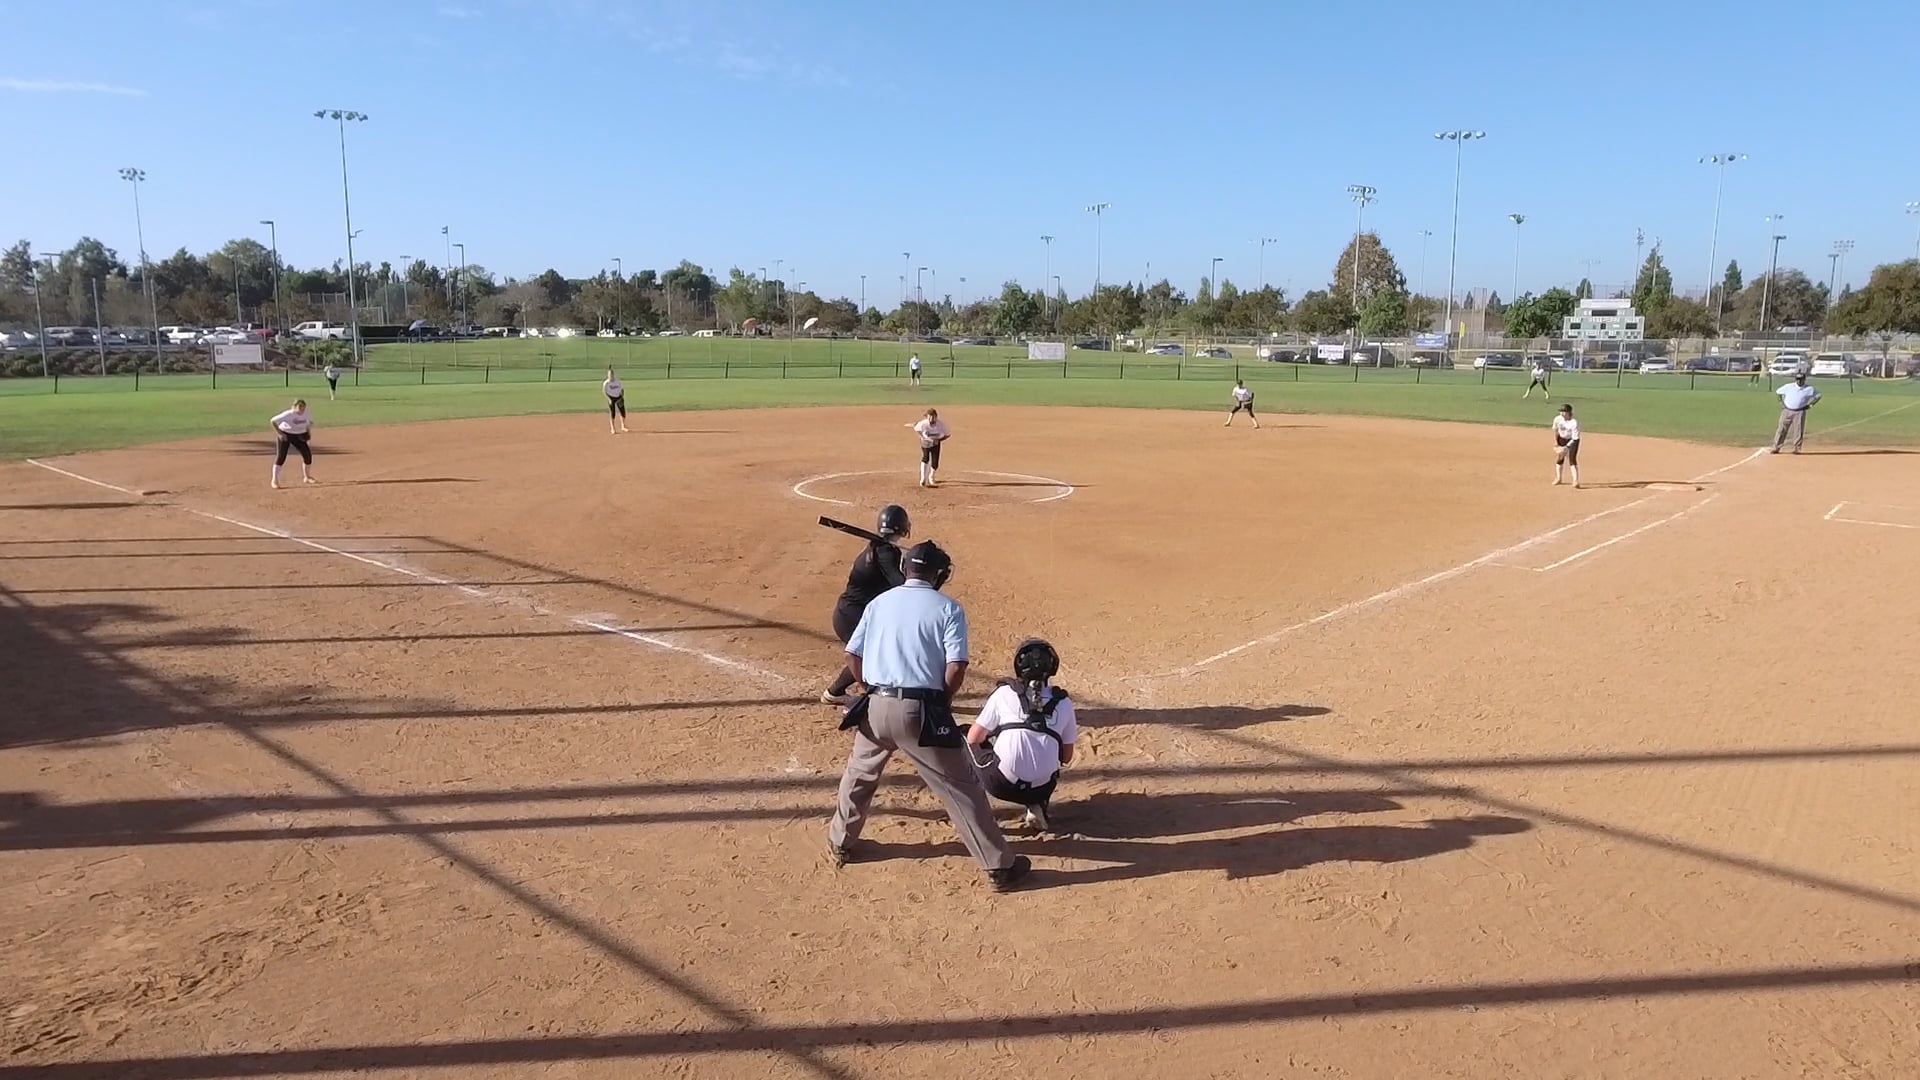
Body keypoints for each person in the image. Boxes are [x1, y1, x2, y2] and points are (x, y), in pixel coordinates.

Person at [828, 541, 1030, 891]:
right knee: (960, 787)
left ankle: (840, 842)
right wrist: (941, 701)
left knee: (858, 775)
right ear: (940, 574)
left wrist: (868, 687)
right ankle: (999, 866)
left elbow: (852, 654)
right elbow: (956, 667)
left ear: (905, 569)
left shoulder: (879, 602)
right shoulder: (948, 608)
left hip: (875, 708)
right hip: (920, 711)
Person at [966, 638, 1078, 833]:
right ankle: (1037, 804)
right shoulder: (1064, 703)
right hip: (1041, 788)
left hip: (1001, 785)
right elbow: (1066, 757)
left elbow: (974, 738)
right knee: (1047, 763)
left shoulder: (1004, 693)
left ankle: (972, 810)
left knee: (965, 736)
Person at [821, 504, 911, 706]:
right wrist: (916, 571)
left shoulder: (876, 547)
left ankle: (836, 692)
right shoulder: (886, 552)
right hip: (854, 615)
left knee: (871, 654)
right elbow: (901, 586)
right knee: (873, 655)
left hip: (849, 613)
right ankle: (868, 696)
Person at [269, 399, 316, 489]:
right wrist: (280, 434)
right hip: (286, 435)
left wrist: (308, 432)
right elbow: (273, 421)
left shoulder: (307, 413)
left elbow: (309, 423)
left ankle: (307, 477)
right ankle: (274, 480)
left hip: (299, 436)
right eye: (299, 406)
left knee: (307, 455)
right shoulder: (288, 414)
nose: (302, 409)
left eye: (303, 407)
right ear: (294, 407)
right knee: (281, 457)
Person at [1772, 372, 1821, 454]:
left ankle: (1797, 448)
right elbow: (1778, 392)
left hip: (1799, 411)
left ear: (1804, 379)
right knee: (1781, 429)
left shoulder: (1809, 389)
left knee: (1798, 430)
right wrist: (1781, 403)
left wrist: (1810, 405)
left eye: (1801, 379)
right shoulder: (1788, 386)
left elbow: (1818, 396)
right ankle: (1776, 447)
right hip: (1787, 411)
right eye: (1797, 379)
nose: (1799, 381)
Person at [910, 408, 950, 488]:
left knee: (935, 462)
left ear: (936, 417)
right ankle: (923, 479)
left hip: (936, 444)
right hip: (926, 443)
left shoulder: (941, 424)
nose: (931, 419)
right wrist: (922, 438)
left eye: (933, 417)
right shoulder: (923, 424)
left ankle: (931, 476)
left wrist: (938, 440)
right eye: (929, 417)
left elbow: (947, 434)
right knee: (925, 458)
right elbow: (917, 429)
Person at [1552, 403, 1581, 488]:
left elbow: (1575, 438)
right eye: (1561, 411)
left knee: (1572, 459)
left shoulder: (1574, 422)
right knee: (1560, 458)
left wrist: (1567, 447)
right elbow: (1556, 431)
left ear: (1569, 412)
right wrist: (1556, 442)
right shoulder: (1557, 419)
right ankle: (1559, 478)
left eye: (1564, 412)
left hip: (1572, 441)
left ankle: (1575, 481)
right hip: (1561, 439)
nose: (1562, 413)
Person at [603, 368, 630, 435]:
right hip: (611, 398)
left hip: (618, 397)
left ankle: (623, 426)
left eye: (612, 374)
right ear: (608, 375)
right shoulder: (606, 383)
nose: (611, 375)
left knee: (623, 412)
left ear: (613, 374)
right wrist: (609, 399)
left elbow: (622, 390)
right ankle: (613, 428)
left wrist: (622, 397)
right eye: (609, 374)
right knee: (613, 413)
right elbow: (604, 391)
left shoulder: (618, 382)